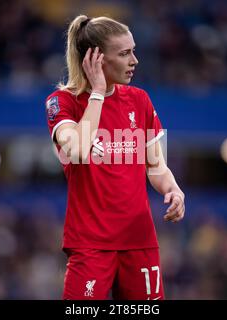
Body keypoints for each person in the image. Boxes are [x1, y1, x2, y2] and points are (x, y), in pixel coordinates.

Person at [45, 15, 185, 300]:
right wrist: (97, 92)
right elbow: (78, 149)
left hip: (140, 240)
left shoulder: (140, 100)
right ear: (95, 59)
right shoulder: (62, 102)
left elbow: (157, 167)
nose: (134, 60)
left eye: (133, 50)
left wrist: (173, 189)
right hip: (90, 244)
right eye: (124, 53)